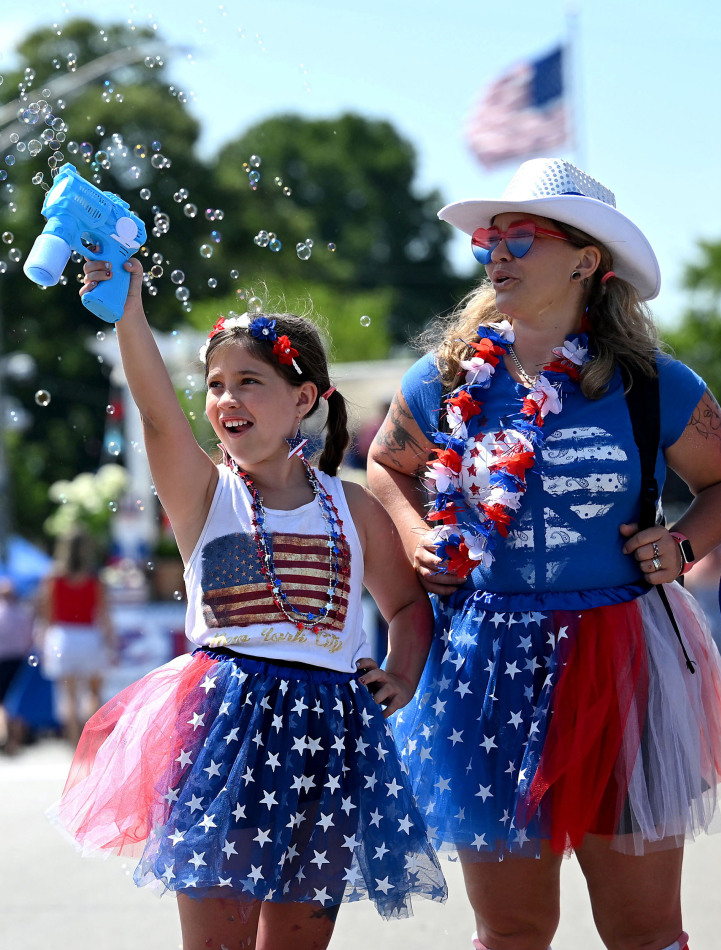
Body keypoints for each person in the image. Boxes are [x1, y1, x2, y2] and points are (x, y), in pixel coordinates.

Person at [366, 157, 721, 950]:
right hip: (486, 660)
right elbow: (386, 465)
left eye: (521, 236)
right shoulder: (443, 380)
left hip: (621, 660)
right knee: (510, 930)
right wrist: (422, 542)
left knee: (644, 930)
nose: (497, 253)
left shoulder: (654, 383)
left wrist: (681, 543)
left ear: (587, 261)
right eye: (489, 239)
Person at [51, 256, 446, 950]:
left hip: (330, 736)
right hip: (224, 735)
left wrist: (404, 673)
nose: (225, 400)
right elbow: (155, 410)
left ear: (304, 399)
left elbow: (408, 608)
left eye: (249, 383)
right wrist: (130, 315)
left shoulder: (352, 505)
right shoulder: (206, 495)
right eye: (215, 386)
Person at [38, 528, 115, 746]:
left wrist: (44, 642)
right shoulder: (94, 577)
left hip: (62, 636)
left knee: (69, 696)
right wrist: (111, 641)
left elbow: (48, 614)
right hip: (89, 636)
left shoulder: (53, 577)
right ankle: (92, 744)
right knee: (93, 693)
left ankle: (74, 744)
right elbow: (103, 613)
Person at [0, 578, 35, 753]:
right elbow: (30, 639)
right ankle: (16, 739)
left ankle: (6, 737)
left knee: (4, 702)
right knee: (18, 699)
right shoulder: (23, 613)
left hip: (3, 660)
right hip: (20, 661)